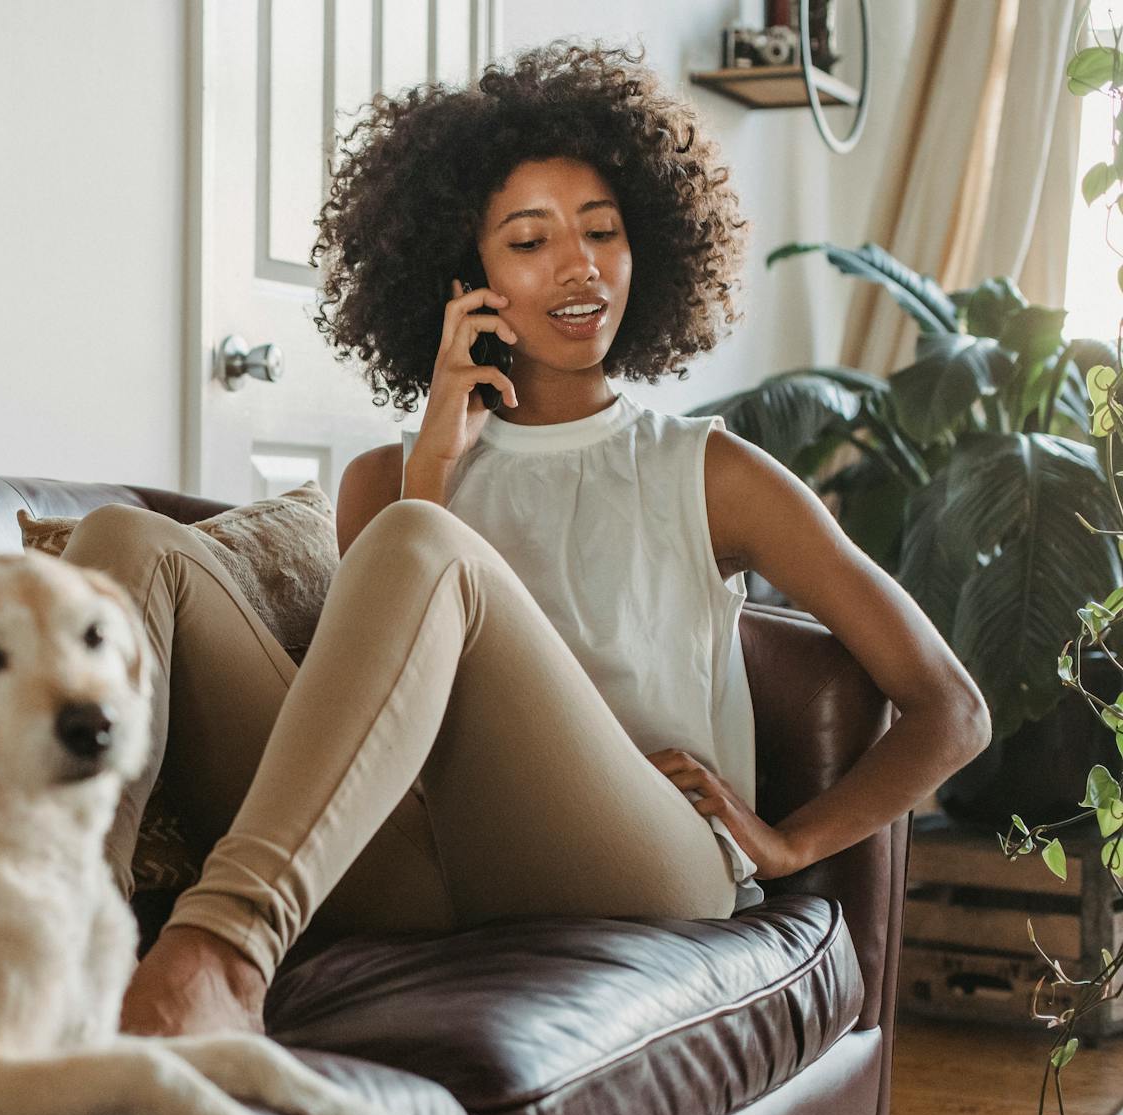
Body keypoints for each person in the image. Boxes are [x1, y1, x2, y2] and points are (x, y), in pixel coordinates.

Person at [61, 40, 991, 1039]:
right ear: (467, 276)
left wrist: (784, 842)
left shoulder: (709, 471)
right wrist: (435, 468)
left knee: (425, 547)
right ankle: (67, 941)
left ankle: (223, 952)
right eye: (531, 239)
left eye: (602, 230)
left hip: (640, 860)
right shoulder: (394, 480)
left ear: (649, 251)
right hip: (420, 860)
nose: (580, 265)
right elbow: (369, 726)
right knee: (125, 544)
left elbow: (952, 708)